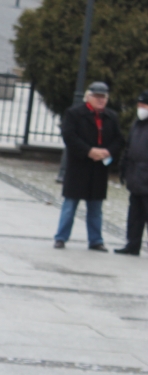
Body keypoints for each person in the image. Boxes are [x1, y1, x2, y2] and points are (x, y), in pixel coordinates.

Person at [54, 82, 124, 252]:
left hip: (99, 168)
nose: (101, 100)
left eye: (104, 97)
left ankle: (96, 240)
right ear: (88, 97)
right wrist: (88, 151)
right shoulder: (74, 114)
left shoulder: (111, 116)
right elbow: (69, 136)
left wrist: (107, 151)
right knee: (70, 205)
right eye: (97, 97)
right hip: (79, 166)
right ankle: (61, 237)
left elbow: (119, 139)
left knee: (96, 208)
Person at [115, 90, 148, 256]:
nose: (141, 108)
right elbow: (129, 148)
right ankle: (132, 245)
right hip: (135, 177)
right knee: (135, 215)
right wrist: (123, 169)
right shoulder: (137, 123)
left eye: (144, 105)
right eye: (140, 104)